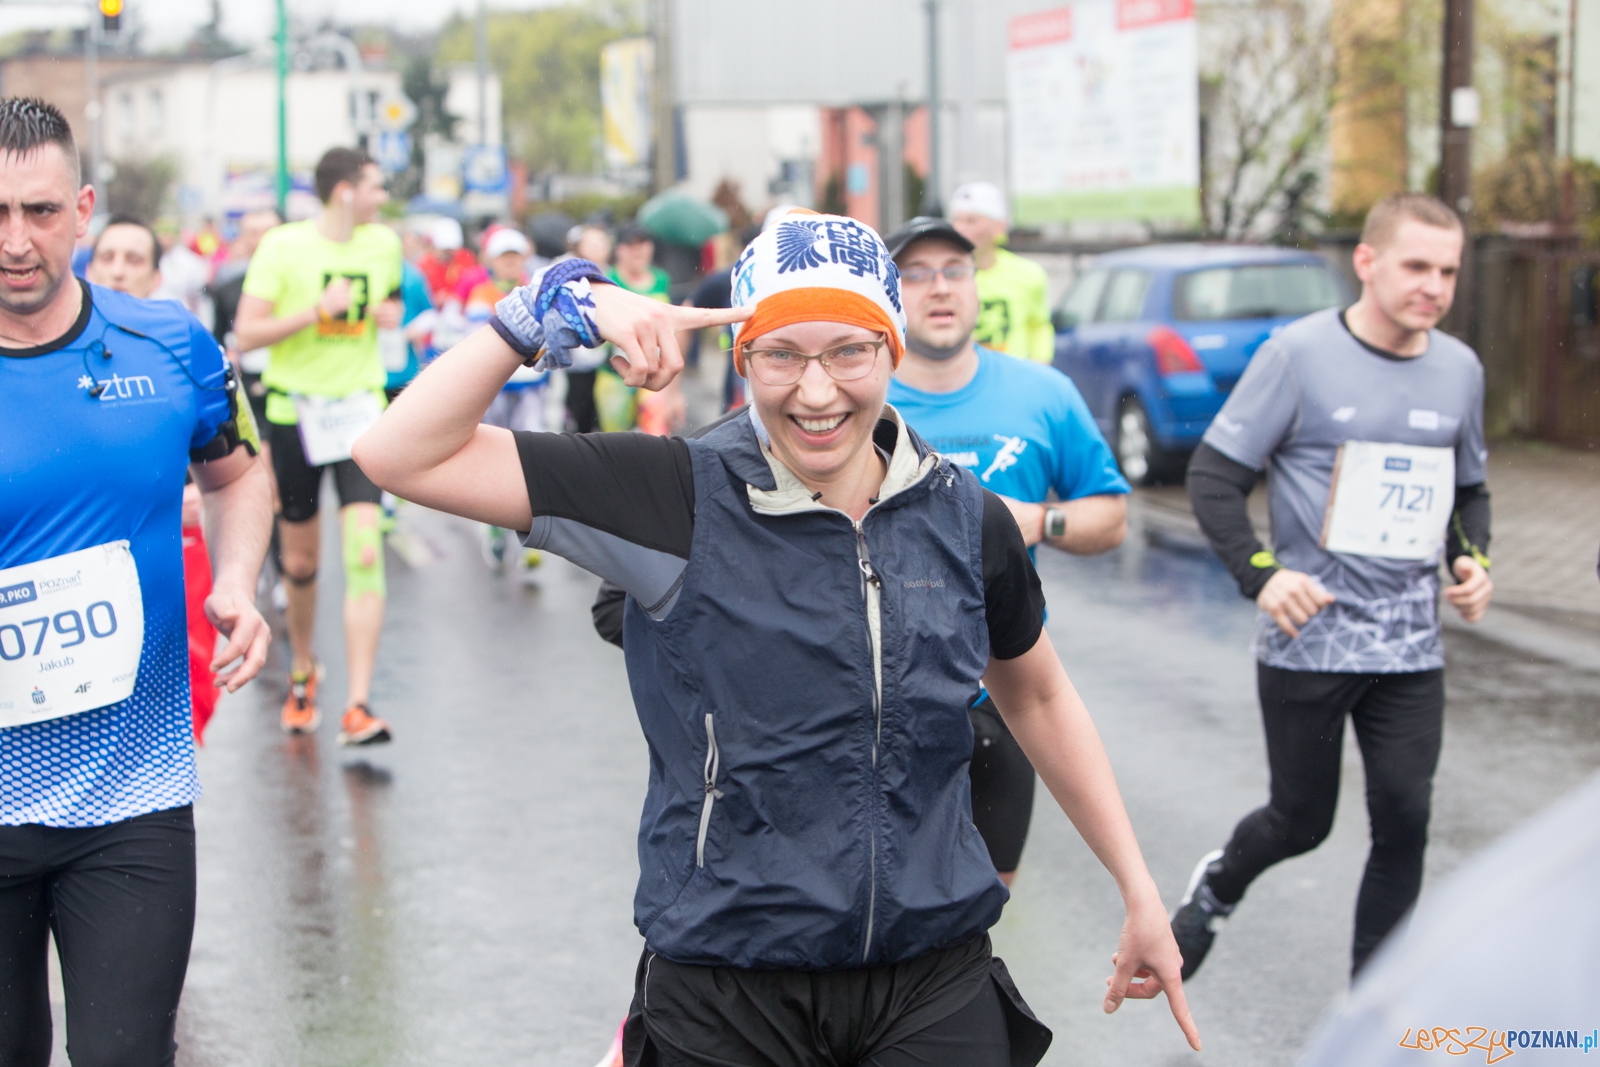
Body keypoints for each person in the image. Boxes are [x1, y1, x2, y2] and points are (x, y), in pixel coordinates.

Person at [353, 209, 1200, 1064]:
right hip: (730, 983)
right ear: (742, 358)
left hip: (931, 976)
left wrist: (1139, 889)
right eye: (781, 354)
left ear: (892, 351)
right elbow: (400, 455)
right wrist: (542, 310)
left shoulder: (964, 515)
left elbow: (1039, 693)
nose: (818, 391)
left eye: (848, 352)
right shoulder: (675, 495)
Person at [0, 96, 272, 1065]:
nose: (17, 240)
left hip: (133, 798)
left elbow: (238, 471)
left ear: (81, 209)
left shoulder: (169, 345)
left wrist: (237, 577)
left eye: (37, 211)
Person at [1172, 193, 1494, 980]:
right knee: (1300, 822)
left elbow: (1470, 492)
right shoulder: (1298, 355)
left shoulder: (1460, 369)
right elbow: (1214, 477)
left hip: (1411, 645)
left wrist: (1474, 560)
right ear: (1367, 262)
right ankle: (1217, 887)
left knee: (1406, 817)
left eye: (1448, 270)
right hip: (1309, 638)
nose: (1434, 286)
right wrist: (1262, 575)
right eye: (1417, 265)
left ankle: (1372, 1007)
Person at [883, 216, 1130, 888]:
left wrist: (1037, 520)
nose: (940, 289)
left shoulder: (1041, 393)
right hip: (882, 695)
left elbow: (1111, 517)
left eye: (956, 271)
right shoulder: (858, 399)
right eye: (916, 273)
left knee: (986, 912)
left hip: (1006, 688)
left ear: (976, 285)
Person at [234, 147, 403, 745]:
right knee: (300, 563)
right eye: (375, 187)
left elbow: (389, 304)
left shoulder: (383, 245)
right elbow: (247, 332)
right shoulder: (284, 247)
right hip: (295, 415)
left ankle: (358, 703)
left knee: (362, 553)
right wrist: (313, 312)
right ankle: (302, 670)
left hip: (360, 412)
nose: (383, 198)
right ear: (344, 191)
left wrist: (389, 314)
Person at [87, 215, 227, 742]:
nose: (118, 271)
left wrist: (202, 499)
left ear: (154, 276)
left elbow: (238, 466)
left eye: (134, 259)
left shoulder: (184, 347)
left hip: (171, 548)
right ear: (90, 264)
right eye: (108, 257)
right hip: (75, 567)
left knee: (181, 699)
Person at [948, 182, 1054, 364]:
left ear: (999, 227)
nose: (960, 229)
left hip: (1014, 382)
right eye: (957, 220)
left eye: (971, 221)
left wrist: (1041, 364)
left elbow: (1039, 326)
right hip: (961, 383)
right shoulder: (942, 277)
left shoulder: (1029, 274)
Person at [561, 223, 614, 432]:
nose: (599, 247)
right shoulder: (565, 272)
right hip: (576, 359)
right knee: (577, 411)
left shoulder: (611, 273)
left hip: (605, 360)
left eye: (602, 242)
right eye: (592, 243)